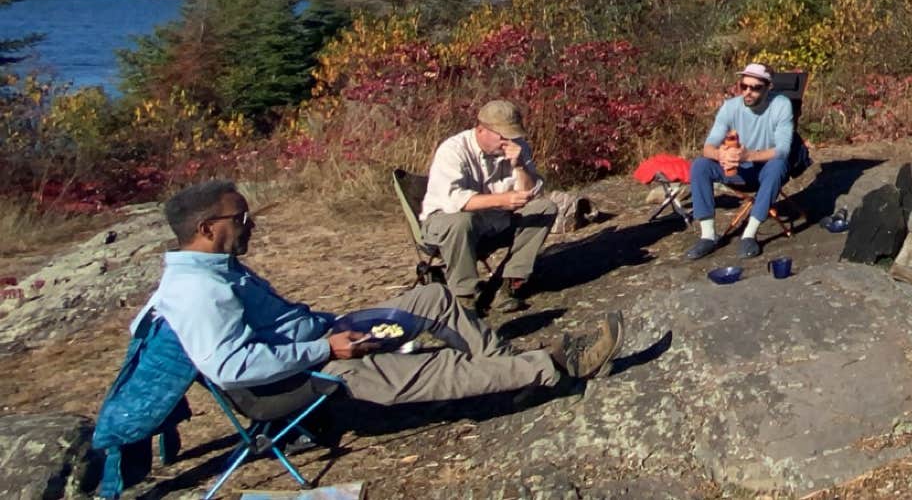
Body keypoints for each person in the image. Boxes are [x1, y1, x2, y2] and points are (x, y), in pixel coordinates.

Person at [141, 179, 622, 408]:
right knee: (434, 366)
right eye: (240, 219)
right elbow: (229, 368)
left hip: (321, 339)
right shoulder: (198, 290)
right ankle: (554, 368)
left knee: (432, 299)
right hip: (300, 376)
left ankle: (509, 371)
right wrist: (324, 347)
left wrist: (330, 327)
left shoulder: (218, 269)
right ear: (205, 228)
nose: (251, 224)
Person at [419, 100, 559, 313]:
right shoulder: (453, 150)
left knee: (544, 208)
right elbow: (454, 201)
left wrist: (520, 166)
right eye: (502, 136)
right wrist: (502, 200)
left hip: (493, 223)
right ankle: (464, 296)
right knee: (460, 221)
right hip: (445, 225)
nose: (507, 142)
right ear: (481, 129)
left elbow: (533, 194)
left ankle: (506, 283)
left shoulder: (518, 147)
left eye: (512, 135)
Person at [685, 61, 806, 261]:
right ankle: (708, 236)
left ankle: (749, 234)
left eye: (755, 88)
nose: (748, 92)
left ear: (769, 88)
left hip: (765, 169)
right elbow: (708, 147)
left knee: (778, 165)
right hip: (737, 168)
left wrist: (748, 155)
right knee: (700, 165)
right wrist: (721, 155)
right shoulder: (730, 107)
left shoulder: (781, 105)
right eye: (744, 86)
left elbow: (783, 150)